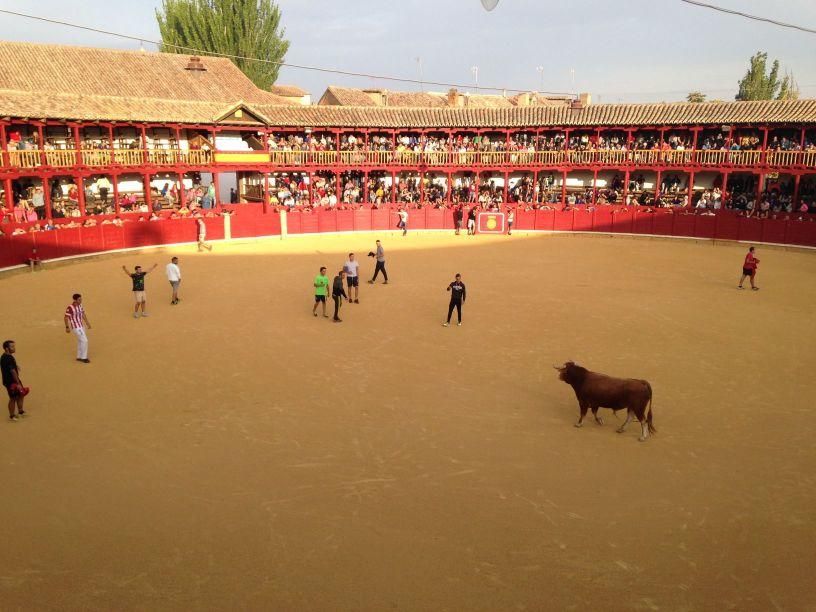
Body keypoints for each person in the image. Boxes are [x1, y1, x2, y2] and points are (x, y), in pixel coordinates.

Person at [2, 340, 27, 421]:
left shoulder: (5, 356)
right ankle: (12, 416)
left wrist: (16, 365)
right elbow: (12, 371)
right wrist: (18, 383)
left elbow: (10, 365)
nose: (14, 348)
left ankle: (20, 411)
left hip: (11, 380)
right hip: (10, 381)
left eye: (14, 346)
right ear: (6, 349)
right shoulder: (8, 358)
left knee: (21, 394)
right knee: (12, 398)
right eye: (12, 346)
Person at [64, 293, 92, 363]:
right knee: (85, 341)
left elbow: (83, 314)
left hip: (81, 326)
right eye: (79, 299)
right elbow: (66, 318)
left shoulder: (80, 306)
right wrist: (67, 327)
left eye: (81, 299)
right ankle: (84, 357)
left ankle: (79, 356)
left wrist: (87, 323)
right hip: (76, 327)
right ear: (75, 300)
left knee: (80, 341)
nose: (81, 300)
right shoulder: (70, 307)